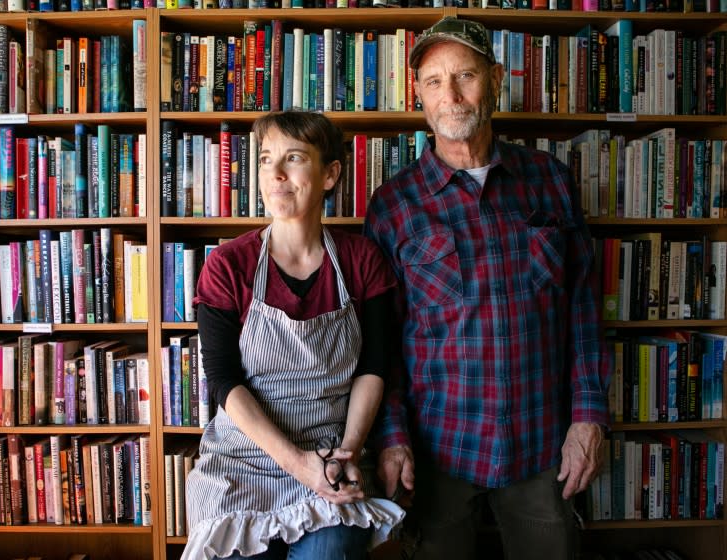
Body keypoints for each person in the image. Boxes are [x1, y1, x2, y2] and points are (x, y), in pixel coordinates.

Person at [363, 17, 611, 560]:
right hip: (437, 451)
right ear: (419, 95)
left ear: (495, 78)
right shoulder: (393, 204)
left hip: (544, 446)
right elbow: (379, 341)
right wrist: (391, 436)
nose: (450, 95)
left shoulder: (550, 180)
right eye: (433, 81)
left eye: (465, 75)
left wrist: (589, 416)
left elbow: (584, 310)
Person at [183, 110, 405, 560]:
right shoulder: (228, 265)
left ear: (330, 174)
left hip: (332, 458)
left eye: (294, 158)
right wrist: (297, 464)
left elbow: (374, 366)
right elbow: (225, 381)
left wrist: (344, 455)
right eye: (266, 160)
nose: (276, 174)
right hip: (241, 464)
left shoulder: (363, 261)